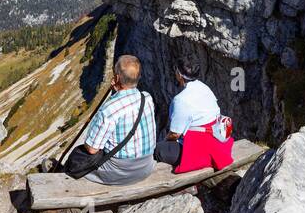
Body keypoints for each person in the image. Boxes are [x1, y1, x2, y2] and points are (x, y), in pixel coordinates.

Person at [79, 55, 157, 185]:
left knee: (78, 157)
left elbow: (92, 149)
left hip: (119, 171)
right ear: (138, 78)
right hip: (146, 167)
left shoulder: (110, 108)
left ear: (116, 78)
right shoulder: (147, 98)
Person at [154, 56, 233, 173]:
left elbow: (175, 134)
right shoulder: (205, 88)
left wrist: (165, 141)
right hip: (218, 142)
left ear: (179, 75)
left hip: (199, 149)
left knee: (158, 149)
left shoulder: (181, 100)